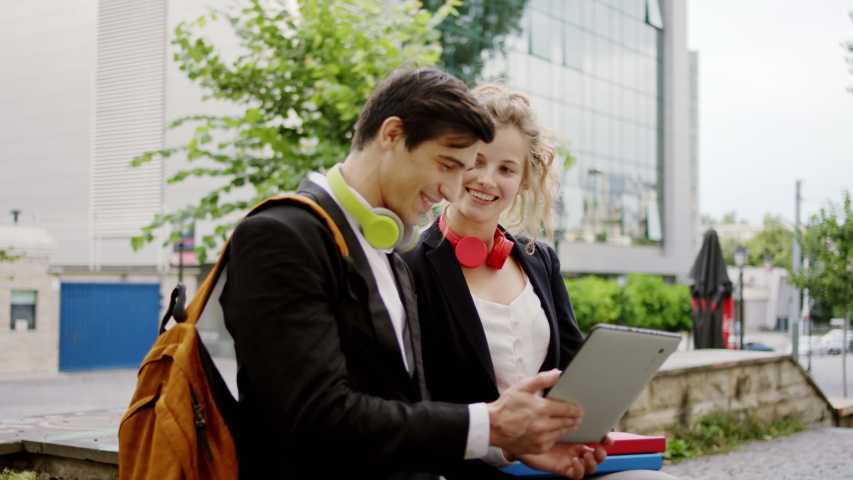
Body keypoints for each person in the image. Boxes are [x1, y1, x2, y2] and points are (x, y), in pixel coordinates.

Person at [220, 68, 609, 480]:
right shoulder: (279, 234)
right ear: (392, 135)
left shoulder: (385, 251)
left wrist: (512, 444)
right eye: (448, 165)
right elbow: (316, 417)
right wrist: (492, 426)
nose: (452, 189)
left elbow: (406, 416)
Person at [402, 83, 680, 480]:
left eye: (506, 169)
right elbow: (414, 405)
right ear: (452, 162)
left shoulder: (541, 261)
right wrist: (506, 444)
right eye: (476, 161)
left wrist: (587, 423)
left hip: (558, 463)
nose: (487, 179)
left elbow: (574, 368)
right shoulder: (409, 268)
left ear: (524, 181)